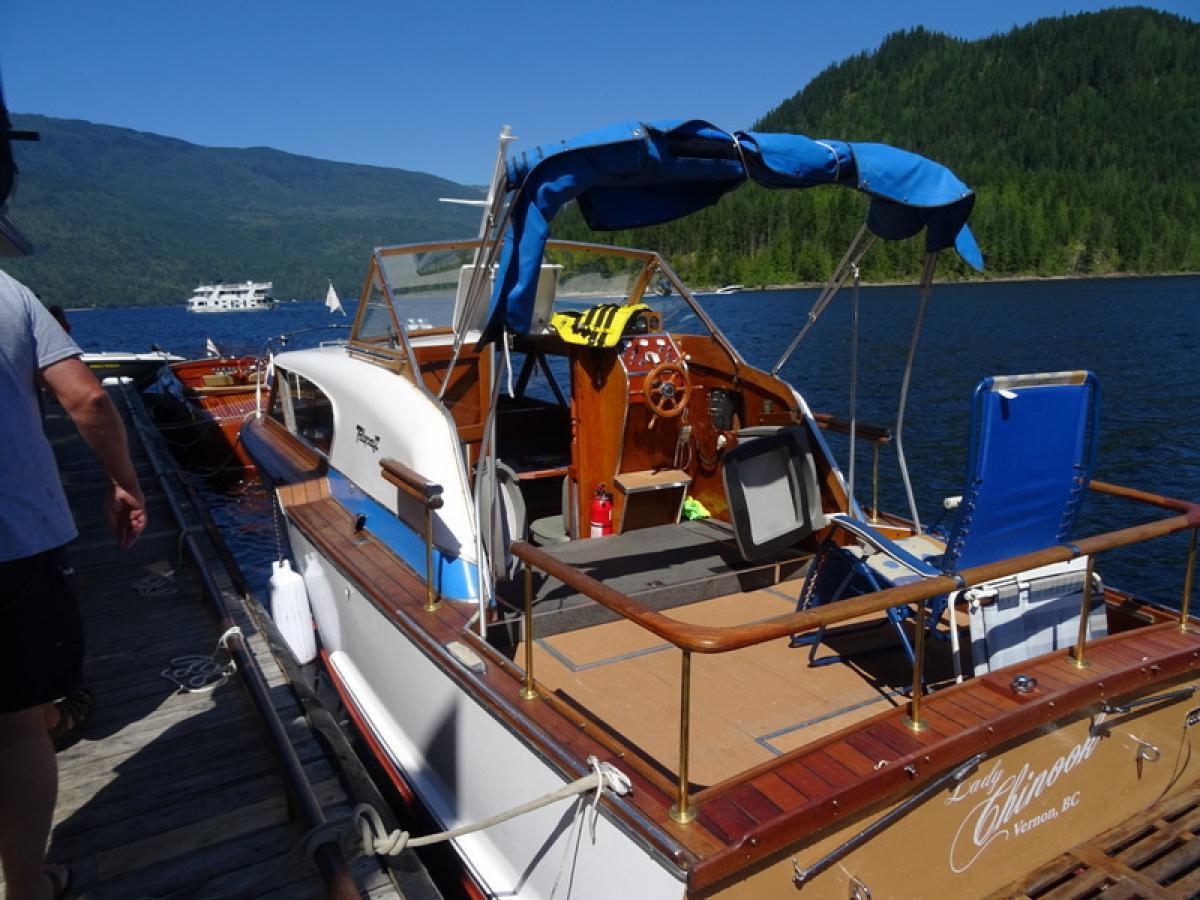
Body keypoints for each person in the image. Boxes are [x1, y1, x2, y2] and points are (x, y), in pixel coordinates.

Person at [0, 94, 147, 900]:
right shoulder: (11, 298)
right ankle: (27, 885)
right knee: (21, 726)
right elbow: (87, 400)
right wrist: (124, 484)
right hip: (16, 546)